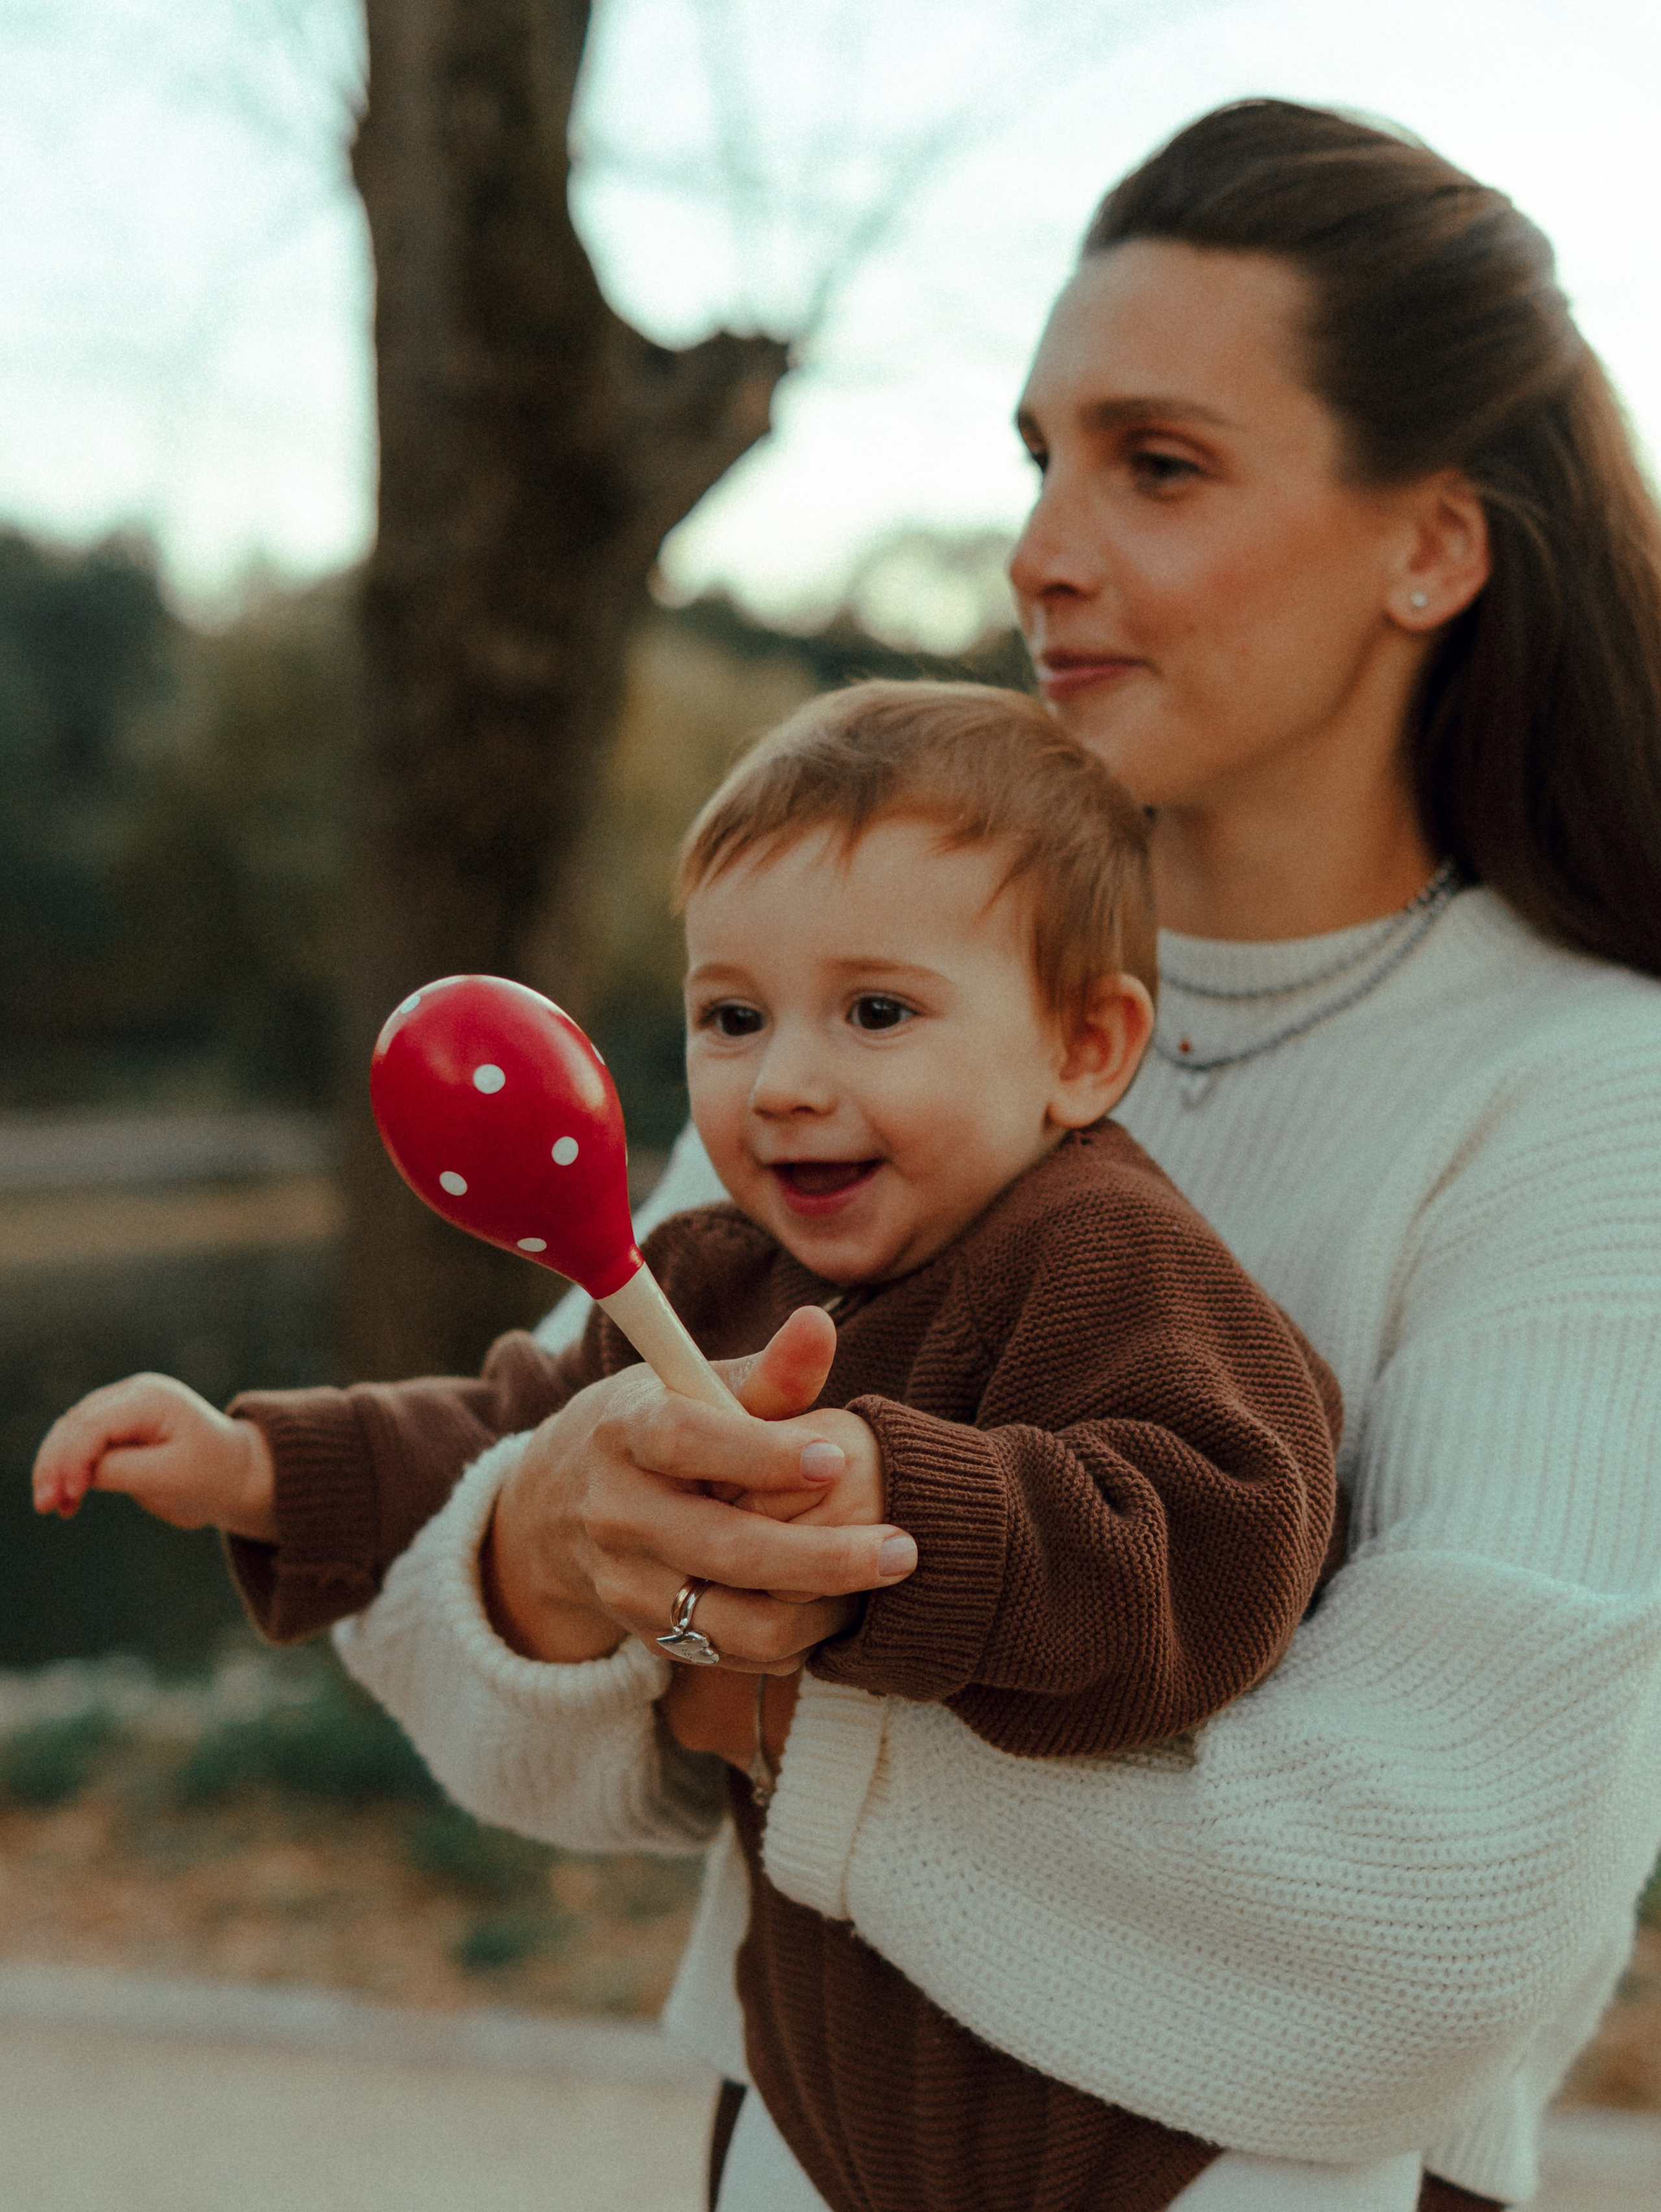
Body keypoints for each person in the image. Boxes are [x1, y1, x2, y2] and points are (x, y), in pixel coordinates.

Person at [36, 95, 1661, 2210]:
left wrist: (765, 1729)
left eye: (1155, 464)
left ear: (1434, 544)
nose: (1041, 548)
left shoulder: (1592, 1091)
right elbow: (470, 1667)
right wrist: (547, 1553)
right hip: (786, 2154)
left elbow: (1428, 1929)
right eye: (1037, 454)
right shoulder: (890, 997)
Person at [35, 678, 1352, 2206]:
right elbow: (514, 1428)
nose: (783, 1078)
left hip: (1134, 2126)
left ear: (1082, 1046)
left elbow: (1225, 1533)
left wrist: (895, 1525)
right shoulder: (709, 1274)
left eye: (874, 1011)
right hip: (818, 2089)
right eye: (731, 1015)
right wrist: (264, 1467)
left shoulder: (1105, 1256)